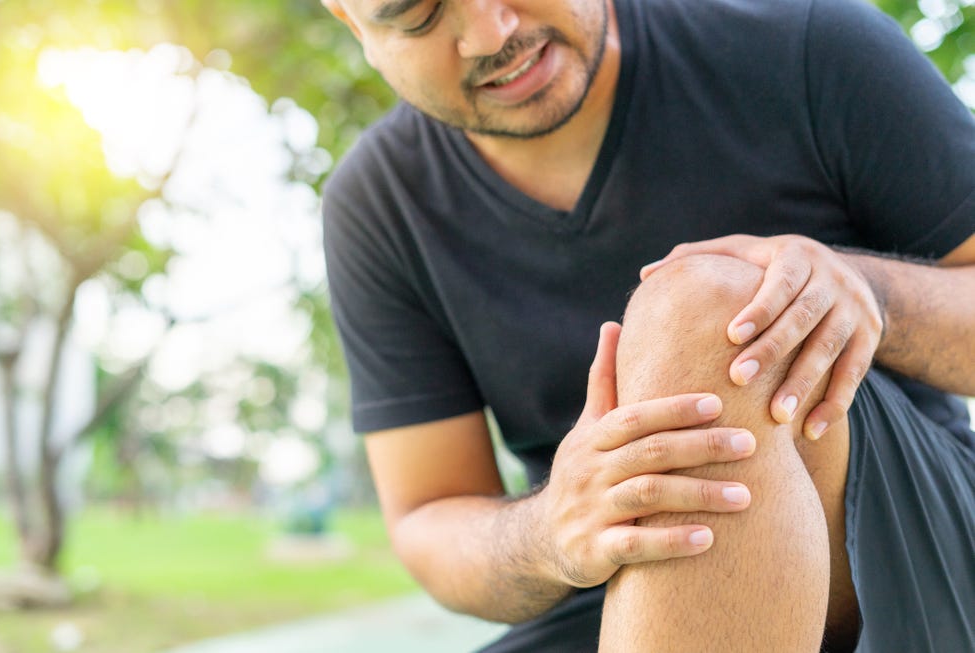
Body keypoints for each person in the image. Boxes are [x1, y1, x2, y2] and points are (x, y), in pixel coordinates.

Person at [319, 0, 975, 649]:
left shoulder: (812, 45)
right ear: (352, 21)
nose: (491, 32)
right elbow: (431, 514)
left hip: (926, 553)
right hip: (620, 597)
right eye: (417, 15)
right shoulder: (377, 203)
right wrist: (547, 532)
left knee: (707, 309)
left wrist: (872, 295)